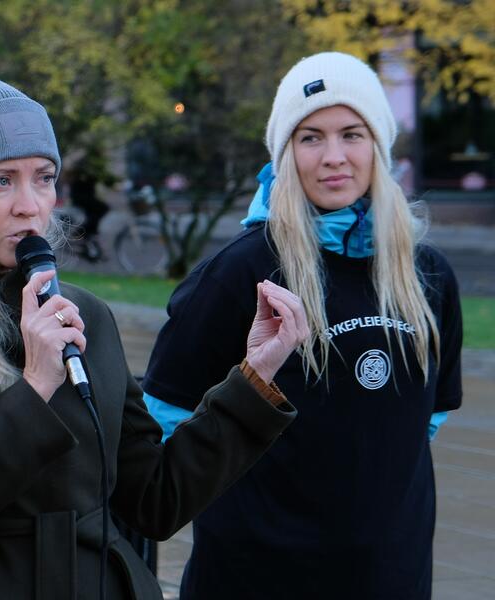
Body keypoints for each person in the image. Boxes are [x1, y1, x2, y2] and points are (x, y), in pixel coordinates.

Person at [0, 61, 309, 600]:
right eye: (0, 181)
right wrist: (35, 386)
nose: (29, 205)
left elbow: (155, 500)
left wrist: (254, 377)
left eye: (44, 177)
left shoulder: (85, 314)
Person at [142, 52, 463, 600]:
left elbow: (422, 424)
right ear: (285, 153)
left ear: (379, 148)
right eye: (310, 137)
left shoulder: (427, 275)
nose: (333, 157)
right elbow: (163, 431)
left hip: (392, 578)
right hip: (255, 579)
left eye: (352, 134)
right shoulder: (239, 274)